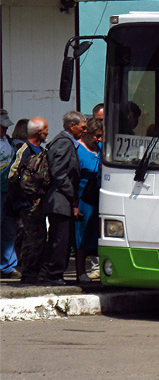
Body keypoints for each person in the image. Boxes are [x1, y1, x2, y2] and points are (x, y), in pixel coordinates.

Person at [37, 111, 85, 287]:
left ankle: (46, 274)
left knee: (57, 238)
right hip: (59, 200)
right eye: (83, 127)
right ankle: (54, 274)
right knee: (60, 240)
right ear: (72, 126)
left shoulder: (62, 142)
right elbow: (59, 173)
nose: (84, 131)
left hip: (58, 199)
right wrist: (71, 194)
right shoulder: (64, 143)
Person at [12, 118, 49, 285]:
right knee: (31, 239)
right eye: (46, 129)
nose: (48, 132)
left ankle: (35, 272)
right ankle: (28, 274)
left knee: (39, 238)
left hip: (38, 203)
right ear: (39, 132)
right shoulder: (24, 150)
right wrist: (30, 194)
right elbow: (13, 176)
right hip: (28, 204)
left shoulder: (39, 149)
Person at [74, 117, 102, 283]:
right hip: (83, 199)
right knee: (82, 236)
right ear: (86, 133)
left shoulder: (101, 148)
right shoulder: (78, 150)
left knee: (97, 235)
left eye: (100, 136)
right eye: (95, 136)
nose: (98, 139)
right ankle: (80, 271)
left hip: (99, 199)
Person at [0, 109, 19, 279]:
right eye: (2, 127)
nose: (5, 130)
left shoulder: (9, 142)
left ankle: (8, 266)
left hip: (8, 192)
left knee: (9, 230)